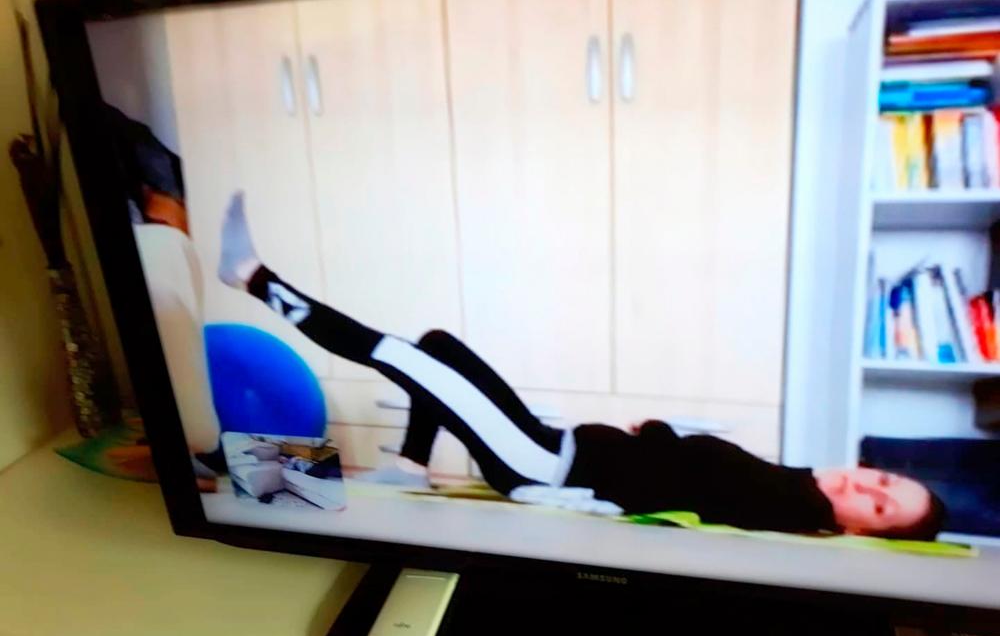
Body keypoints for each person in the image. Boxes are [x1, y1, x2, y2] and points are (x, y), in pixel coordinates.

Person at [217, 192, 946, 540]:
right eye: (883, 479)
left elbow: (691, 482)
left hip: (541, 466)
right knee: (439, 346)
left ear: (862, 531)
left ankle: (251, 277)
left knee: (405, 359)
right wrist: (655, 435)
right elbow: (693, 474)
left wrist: (654, 436)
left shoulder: (798, 507)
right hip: (550, 444)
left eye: (879, 506)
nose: (865, 486)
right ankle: (405, 469)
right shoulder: (794, 484)